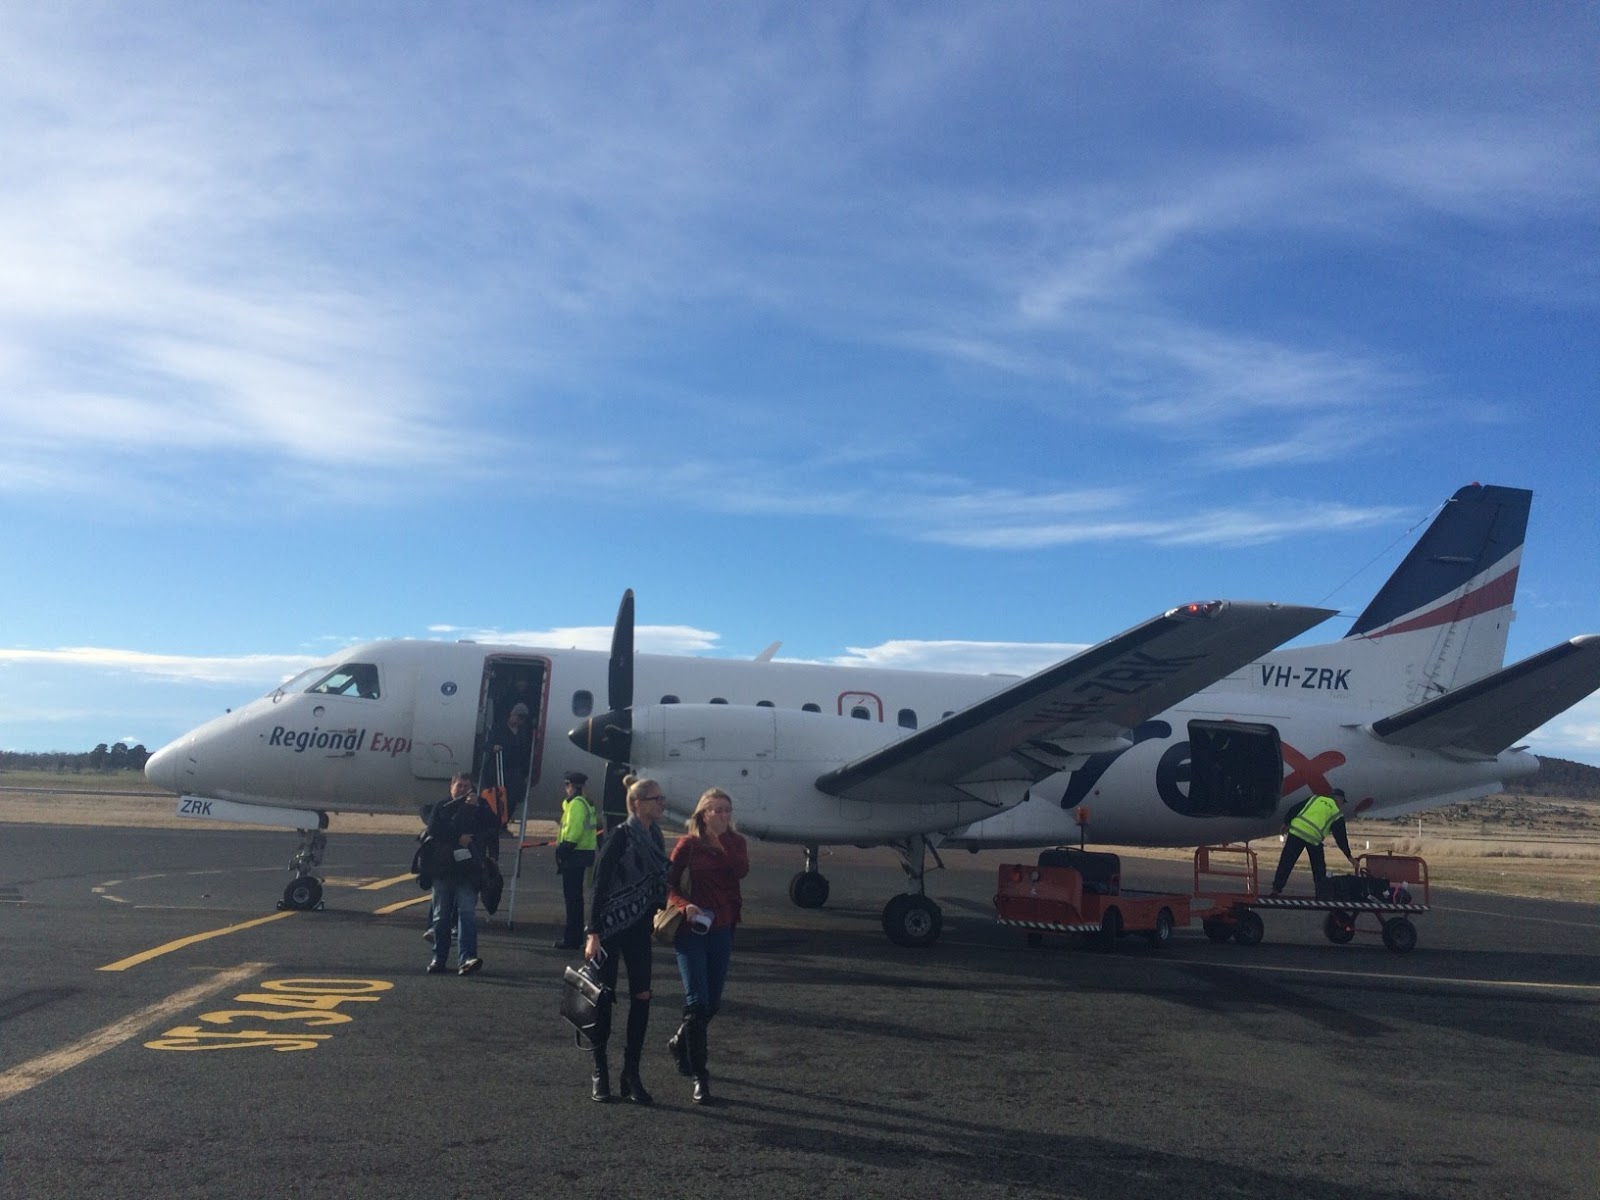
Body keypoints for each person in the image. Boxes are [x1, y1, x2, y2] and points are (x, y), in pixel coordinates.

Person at [582, 775, 670, 1104]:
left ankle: (630, 1073)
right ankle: (599, 1070)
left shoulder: (656, 836)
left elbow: (658, 879)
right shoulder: (620, 837)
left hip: (639, 926)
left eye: (661, 799)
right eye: (655, 799)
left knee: (643, 996)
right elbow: (600, 884)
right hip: (609, 927)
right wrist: (593, 933)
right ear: (637, 804)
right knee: (603, 999)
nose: (661, 804)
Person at [664, 787, 749, 1105]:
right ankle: (701, 1076)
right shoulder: (687, 845)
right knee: (697, 1003)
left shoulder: (736, 843)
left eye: (727, 810)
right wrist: (684, 904)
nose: (724, 815)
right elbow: (668, 883)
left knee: (712, 1002)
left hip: (723, 926)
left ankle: (679, 1041)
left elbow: (741, 871)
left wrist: (720, 841)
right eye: (717, 810)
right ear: (703, 814)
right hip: (691, 929)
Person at [424, 772, 498, 975]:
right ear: (451, 787)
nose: (463, 790)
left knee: (466, 913)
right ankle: (439, 958)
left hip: (468, 871)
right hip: (444, 869)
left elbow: (493, 826)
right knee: (441, 917)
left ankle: (466, 958)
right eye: (459, 786)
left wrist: (478, 808)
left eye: (466, 786)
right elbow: (435, 830)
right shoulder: (441, 807)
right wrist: (458, 836)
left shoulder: (479, 806)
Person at [1268, 787, 1355, 897]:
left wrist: (1286, 822)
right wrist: (1349, 856)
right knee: (1319, 868)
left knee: (1286, 862)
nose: (1342, 805)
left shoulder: (1315, 799)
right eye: (1343, 802)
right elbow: (1340, 837)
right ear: (1340, 799)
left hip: (1296, 832)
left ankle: (1276, 890)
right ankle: (1322, 894)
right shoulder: (1336, 812)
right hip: (1313, 839)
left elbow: (1295, 808)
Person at [552, 771, 597, 949]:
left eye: (566, 785)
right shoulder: (583, 803)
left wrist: (563, 850)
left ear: (570, 785)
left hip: (574, 856)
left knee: (573, 900)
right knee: (575, 899)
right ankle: (574, 937)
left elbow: (574, 832)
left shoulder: (577, 804)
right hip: (582, 855)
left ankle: (572, 939)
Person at [485, 703, 533, 825]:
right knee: (497, 797)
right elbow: (486, 746)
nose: (518, 721)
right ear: (512, 715)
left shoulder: (523, 732)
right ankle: (494, 824)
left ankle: (503, 824)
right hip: (498, 768)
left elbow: (526, 752)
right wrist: (493, 747)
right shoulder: (498, 728)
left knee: (514, 797)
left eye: (522, 719)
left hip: (515, 770)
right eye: (517, 717)